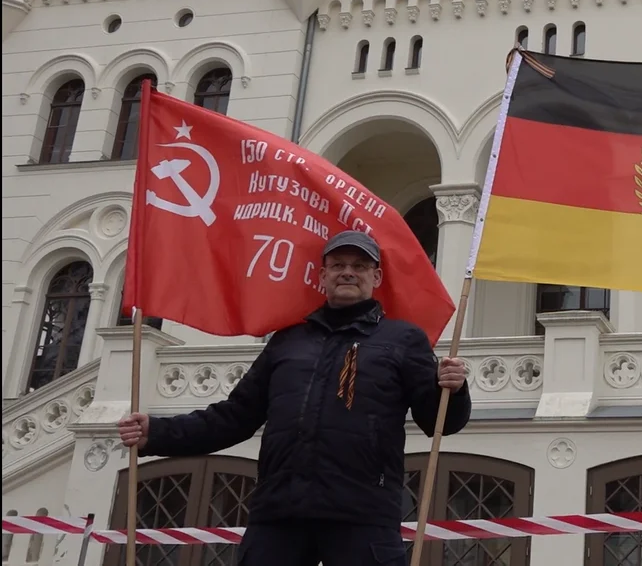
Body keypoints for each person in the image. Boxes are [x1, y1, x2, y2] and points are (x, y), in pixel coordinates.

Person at [117, 230, 470, 566]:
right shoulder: (288, 340)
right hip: (280, 513)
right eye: (338, 265)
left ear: (376, 278)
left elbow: (440, 421)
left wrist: (453, 390)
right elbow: (234, 416)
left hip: (362, 515)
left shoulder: (403, 339)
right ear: (322, 275)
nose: (348, 272)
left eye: (359, 266)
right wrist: (157, 433)